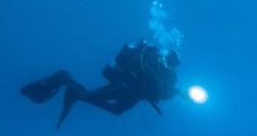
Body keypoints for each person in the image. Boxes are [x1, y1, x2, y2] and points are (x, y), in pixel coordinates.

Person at [20, 40, 180, 128]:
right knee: (89, 96)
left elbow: (162, 94)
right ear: (166, 55)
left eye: (174, 63)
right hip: (124, 84)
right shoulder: (150, 58)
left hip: (134, 93)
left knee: (116, 110)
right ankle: (66, 79)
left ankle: (72, 89)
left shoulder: (167, 75)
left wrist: (178, 92)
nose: (171, 64)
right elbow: (140, 70)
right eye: (171, 60)